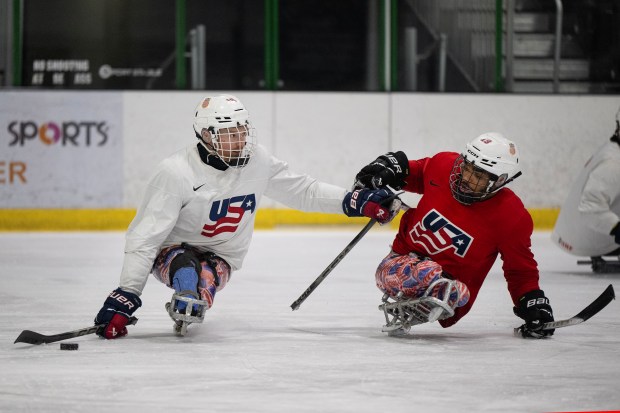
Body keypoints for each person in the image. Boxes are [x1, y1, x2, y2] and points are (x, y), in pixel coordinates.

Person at [94, 94, 399, 339]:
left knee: (200, 293)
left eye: (242, 129)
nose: (240, 138)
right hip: (171, 249)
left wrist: (355, 201)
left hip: (223, 257)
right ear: (207, 136)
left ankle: (192, 289)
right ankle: (184, 282)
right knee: (185, 268)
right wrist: (127, 293)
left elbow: (303, 191)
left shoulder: (258, 160)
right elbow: (145, 237)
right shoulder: (175, 173)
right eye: (229, 132)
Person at [354, 132, 555, 338]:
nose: (466, 177)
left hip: (452, 293)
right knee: (427, 272)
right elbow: (416, 173)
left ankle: (436, 286)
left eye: (477, 176)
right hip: (395, 266)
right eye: (466, 167)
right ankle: (431, 282)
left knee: (454, 289)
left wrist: (532, 301)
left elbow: (520, 270)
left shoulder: (512, 217)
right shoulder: (444, 165)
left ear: (499, 180)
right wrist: (393, 168)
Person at [551, 114, 620, 273]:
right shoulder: (614, 164)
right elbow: (590, 209)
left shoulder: (614, 149)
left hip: (581, 233)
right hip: (592, 239)